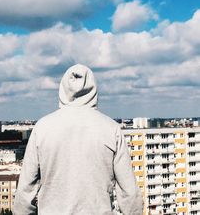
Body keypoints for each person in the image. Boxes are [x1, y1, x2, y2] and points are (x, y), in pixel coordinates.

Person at [13, 64, 143, 215]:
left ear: (63, 88)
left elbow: (24, 192)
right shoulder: (111, 128)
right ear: (93, 89)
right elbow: (130, 193)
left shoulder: (42, 128)